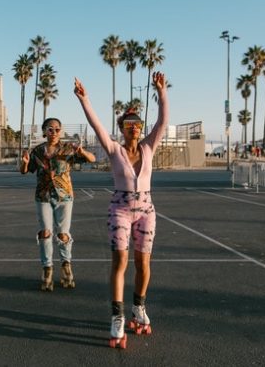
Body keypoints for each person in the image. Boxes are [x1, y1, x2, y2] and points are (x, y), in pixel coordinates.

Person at [74, 71, 168, 344]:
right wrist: (85, 100)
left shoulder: (150, 146)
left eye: (137, 123)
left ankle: (139, 308)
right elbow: (96, 126)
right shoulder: (114, 149)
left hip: (147, 210)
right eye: (129, 123)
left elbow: (163, 121)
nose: (134, 127)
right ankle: (117, 316)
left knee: (143, 263)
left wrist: (161, 92)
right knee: (121, 262)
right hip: (121, 209)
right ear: (122, 127)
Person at [20, 117, 96, 291]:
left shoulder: (68, 149)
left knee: (63, 233)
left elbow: (91, 159)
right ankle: (47, 269)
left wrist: (82, 152)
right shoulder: (37, 151)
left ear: (60, 131)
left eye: (57, 129)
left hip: (65, 196)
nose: (54, 132)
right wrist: (24, 163)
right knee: (45, 233)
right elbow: (25, 171)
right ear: (44, 131)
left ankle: (66, 266)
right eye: (50, 129)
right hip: (43, 196)